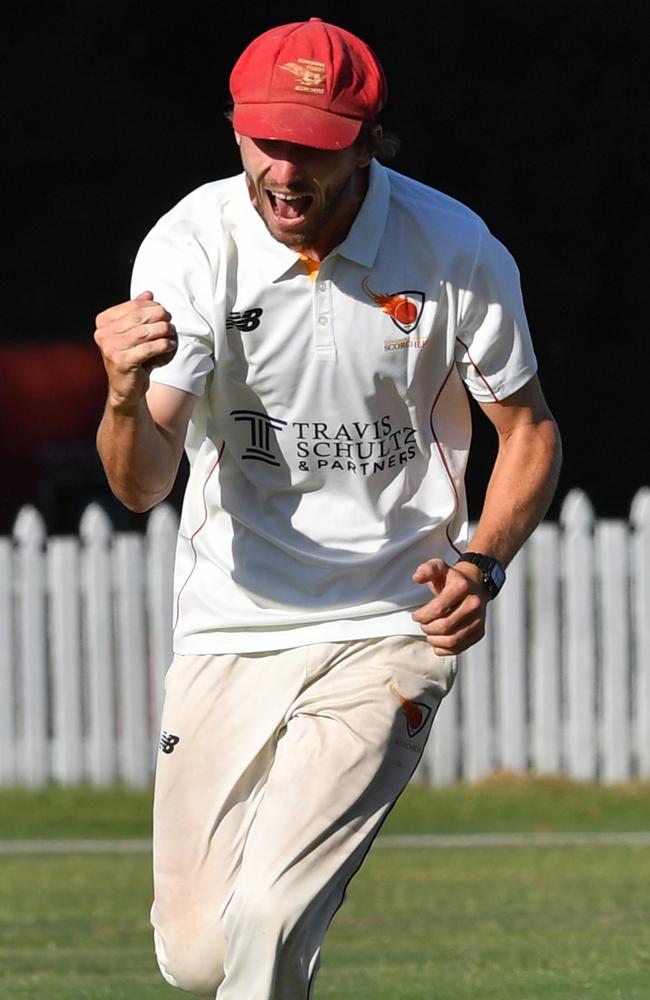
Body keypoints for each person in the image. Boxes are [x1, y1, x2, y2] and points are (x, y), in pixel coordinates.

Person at [93, 17, 561, 1000]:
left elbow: (526, 431)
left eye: (312, 144)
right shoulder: (190, 246)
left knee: (265, 918)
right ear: (233, 130)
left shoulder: (453, 248)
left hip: (392, 620)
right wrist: (124, 394)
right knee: (198, 954)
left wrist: (482, 561)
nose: (285, 170)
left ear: (366, 139)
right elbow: (139, 484)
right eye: (266, 140)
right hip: (230, 621)